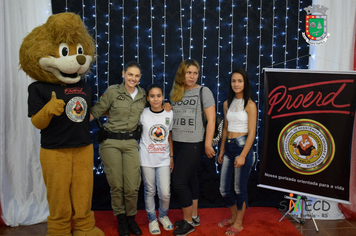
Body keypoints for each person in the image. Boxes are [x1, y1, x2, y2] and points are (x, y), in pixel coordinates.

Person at [90, 61, 145, 236]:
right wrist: (73, 125)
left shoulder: (143, 95)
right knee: (117, 185)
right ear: (123, 74)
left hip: (130, 143)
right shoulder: (113, 91)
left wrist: (166, 107)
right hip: (110, 143)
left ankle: (131, 219)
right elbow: (96, 111)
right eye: (130, 74)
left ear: (140, 77)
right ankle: (121, 220)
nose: (133, 78)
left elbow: (155, 108)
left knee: (132, 186)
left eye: (136, 76)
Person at [170, 59, 216, 236]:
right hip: (178, 141)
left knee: (179, 182)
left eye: (195, 72)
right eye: (188, 72)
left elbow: (211, 120)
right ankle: (194, 216)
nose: (192, 76)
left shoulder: (203, 91)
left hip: (194, 143)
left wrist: (207, 143)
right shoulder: (175, 92)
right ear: (182, 73)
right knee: (190, 179)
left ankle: (188, 222)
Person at [217, 68, 257, 235]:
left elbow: (252, 133)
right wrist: (221, 150)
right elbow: (226, 128)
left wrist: (243, 155)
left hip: (243, 147)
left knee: (239, 189)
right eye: (234, 81)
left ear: (245, 83)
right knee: (223, 189)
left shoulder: (250, 104)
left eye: (239, 81)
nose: (236, 84)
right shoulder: (227, 103)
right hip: (228, 147)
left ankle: (239, 223)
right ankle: (234, 217)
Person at [138, 84, 174, 235]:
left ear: (163, 97)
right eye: (152, 96)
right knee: (150, 190)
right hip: (146, 159)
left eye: (158, 96)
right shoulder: (143, 114)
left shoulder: (169, 113)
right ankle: (152, 219)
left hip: (164, 159)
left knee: (165, 192)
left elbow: (170, 136)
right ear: (147, 98)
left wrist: (171, 156)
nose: (156, 99)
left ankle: (163, 216)